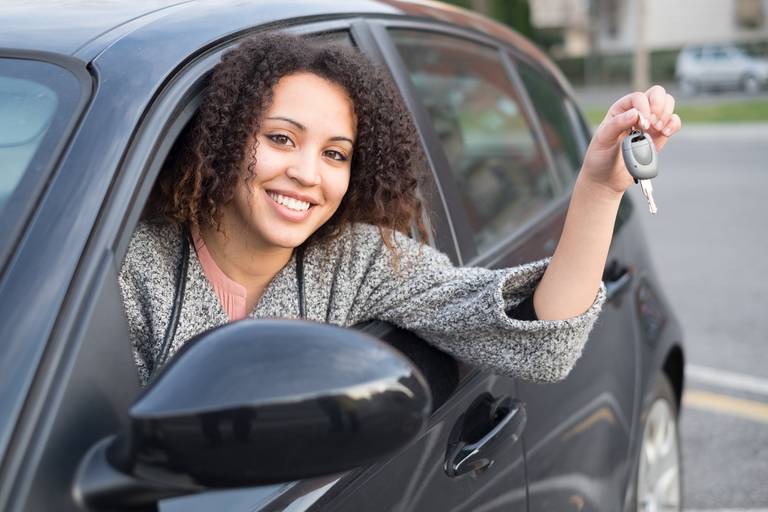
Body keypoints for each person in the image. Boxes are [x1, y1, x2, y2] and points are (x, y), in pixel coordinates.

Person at [118, 32, 681, 387]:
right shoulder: (128, 269)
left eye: (335, 154)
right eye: (281, 139)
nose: (308, 174)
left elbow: (537, 343)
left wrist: (599, 189)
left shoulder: (354, 261)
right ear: (224, 138)